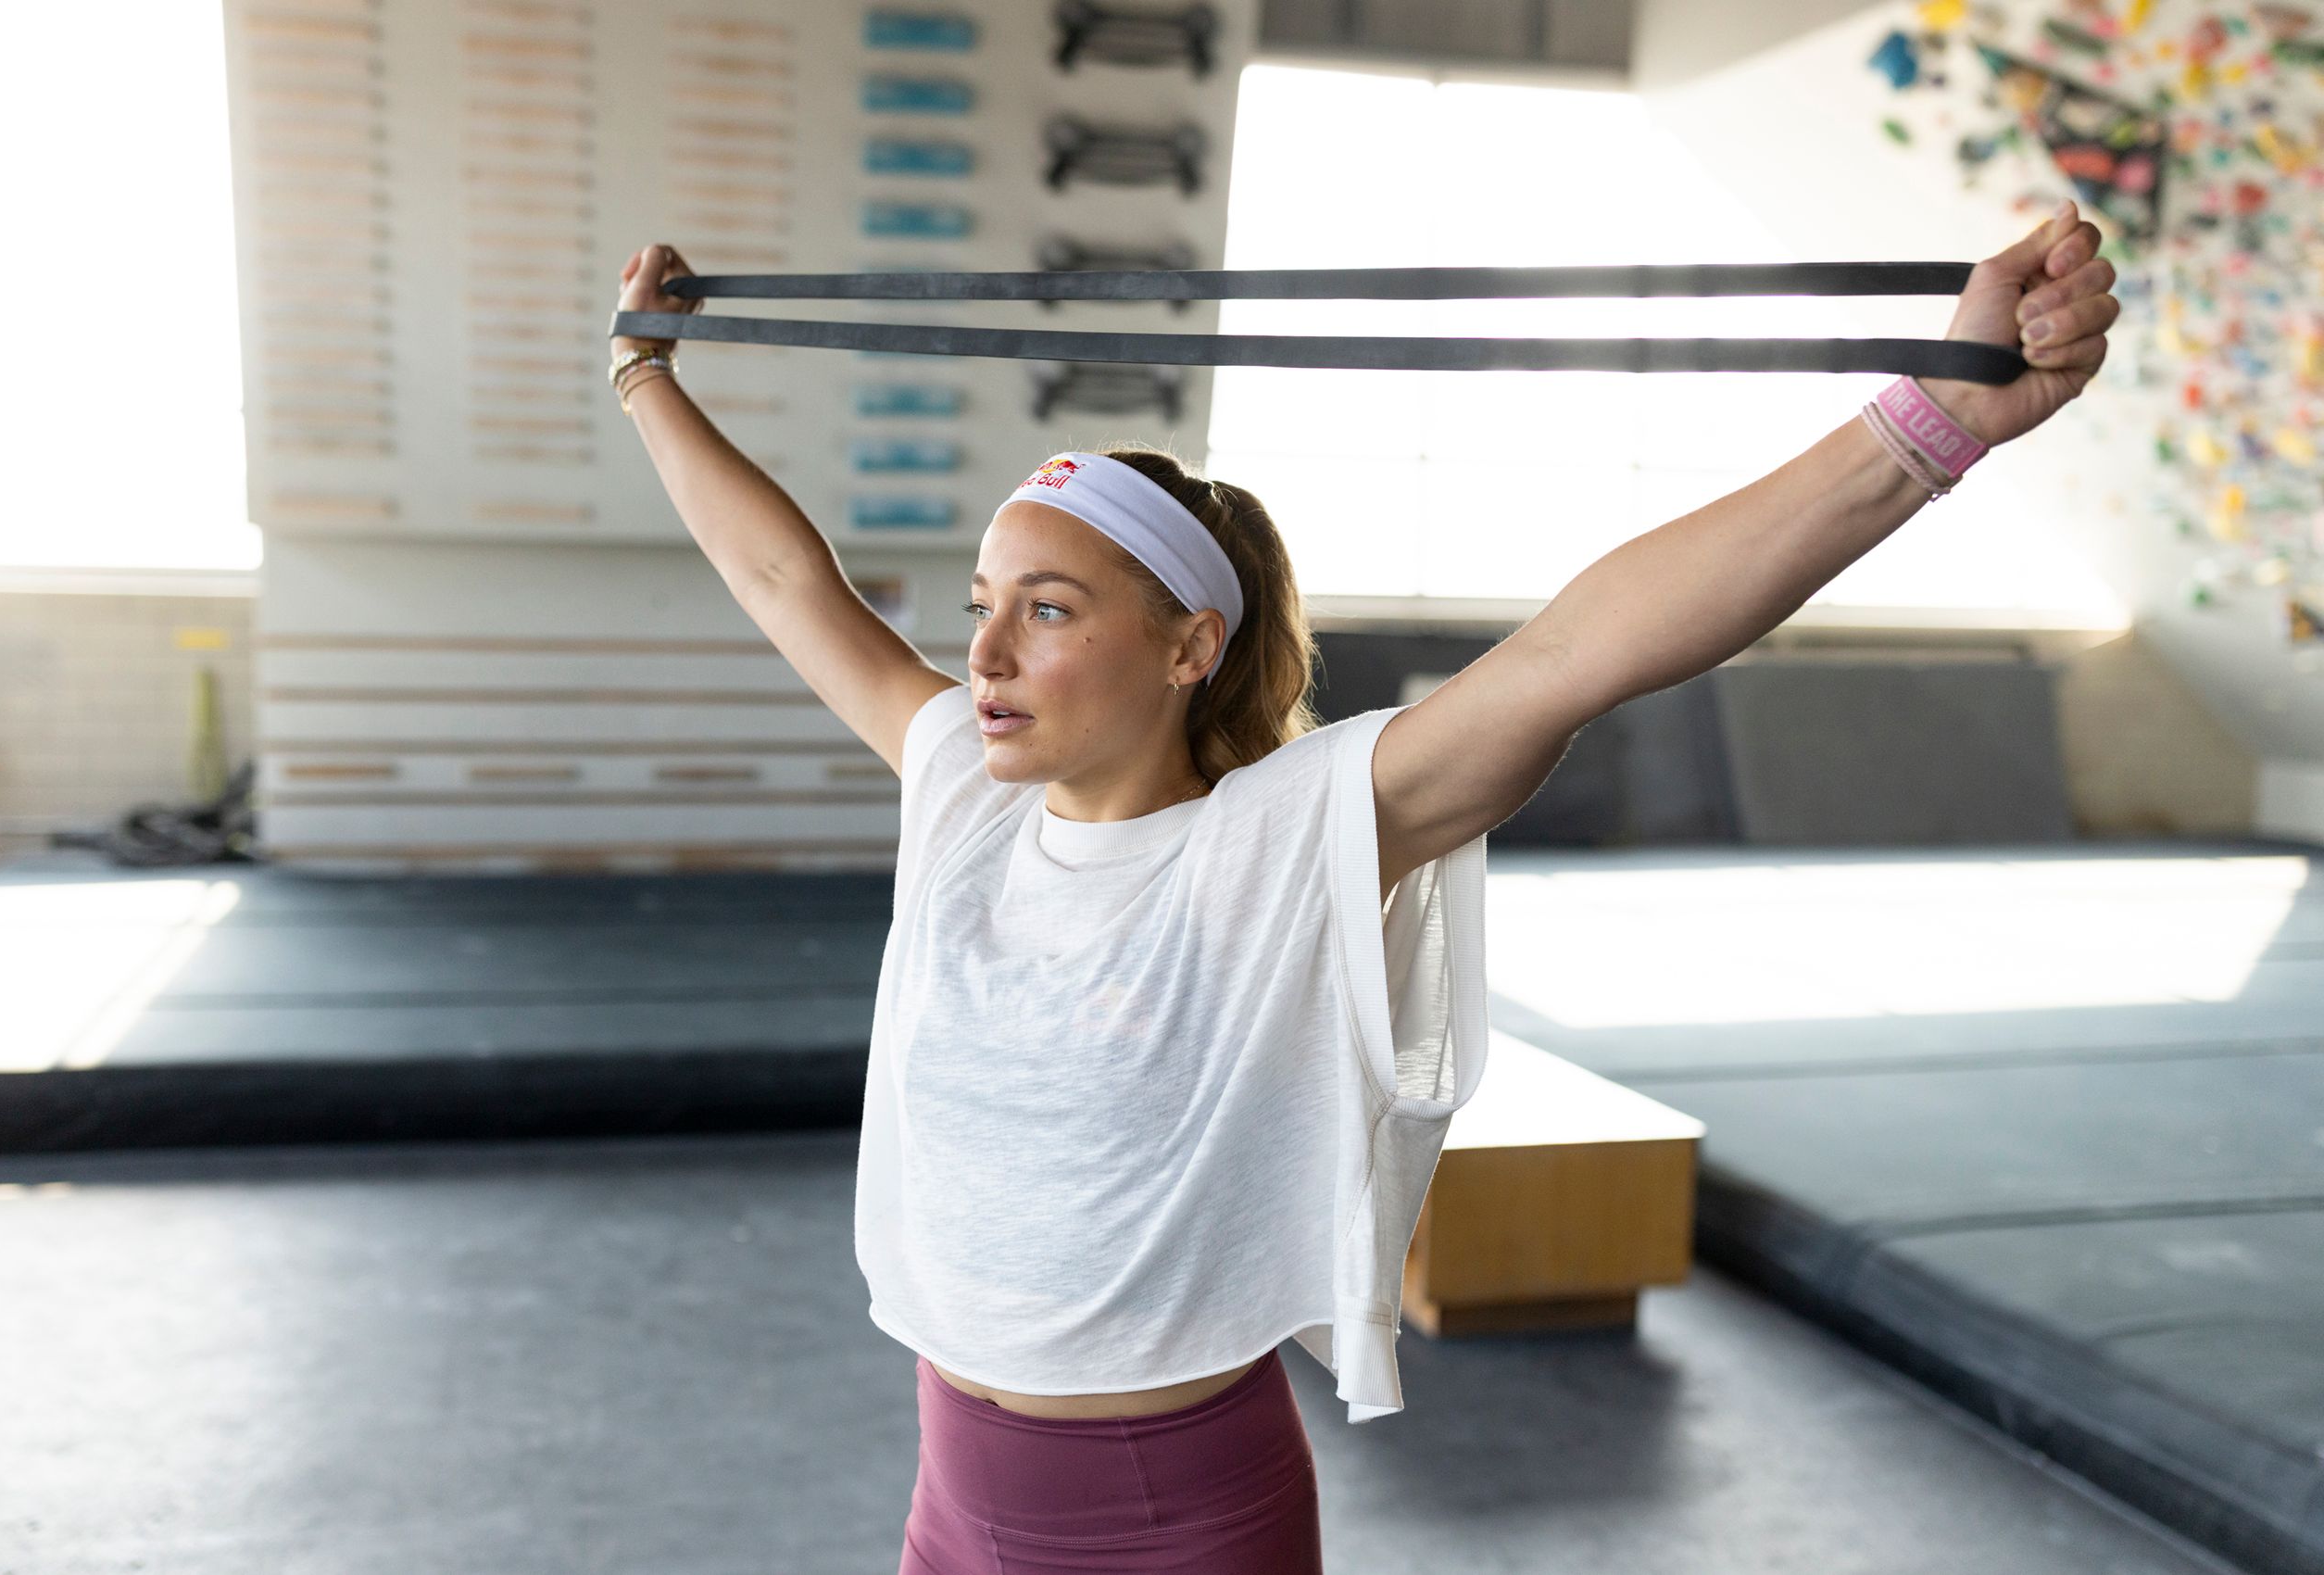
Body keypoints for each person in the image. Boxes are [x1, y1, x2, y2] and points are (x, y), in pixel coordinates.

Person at [606, 206, 2117, 1572]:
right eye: (982, 605)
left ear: (1190, 647)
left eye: (1048, 611)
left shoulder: (1278, 837)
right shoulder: (962, 789)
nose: (985, 654)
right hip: (951, 1494)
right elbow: (786, 582)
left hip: (1171, 1520)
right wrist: (644, 377)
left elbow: (1582, 649)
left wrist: (1931, 427)